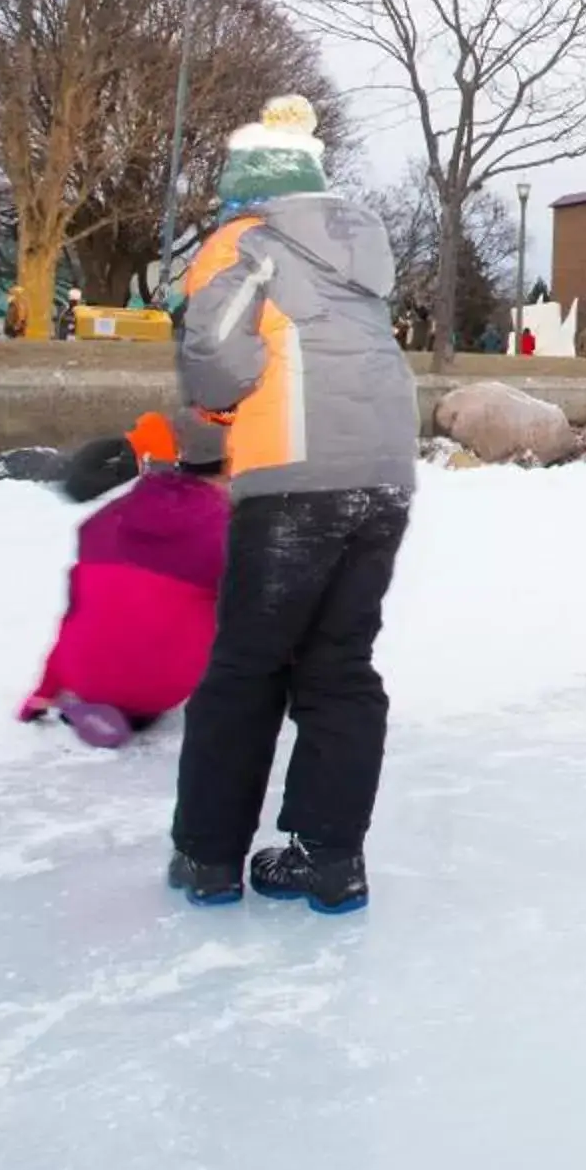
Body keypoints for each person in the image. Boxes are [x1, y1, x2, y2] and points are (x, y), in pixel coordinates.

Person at [167, 97, 417, 917]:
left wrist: (211, 424)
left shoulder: (242, 246)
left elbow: (216, 364)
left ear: (247, 191)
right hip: (383, 478)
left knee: (246, 666)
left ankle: (208, 855)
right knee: (339, 664)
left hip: (292, 478)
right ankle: (329, 856)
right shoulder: (358, 255)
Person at [21, 411, 232, 748]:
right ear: (229, 468)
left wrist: (43, 692)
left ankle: (110, 698)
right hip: (165, 685)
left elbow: (74, 615)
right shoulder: (225, 527)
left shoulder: (101, 521)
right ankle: (135, 700)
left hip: (82, 674)